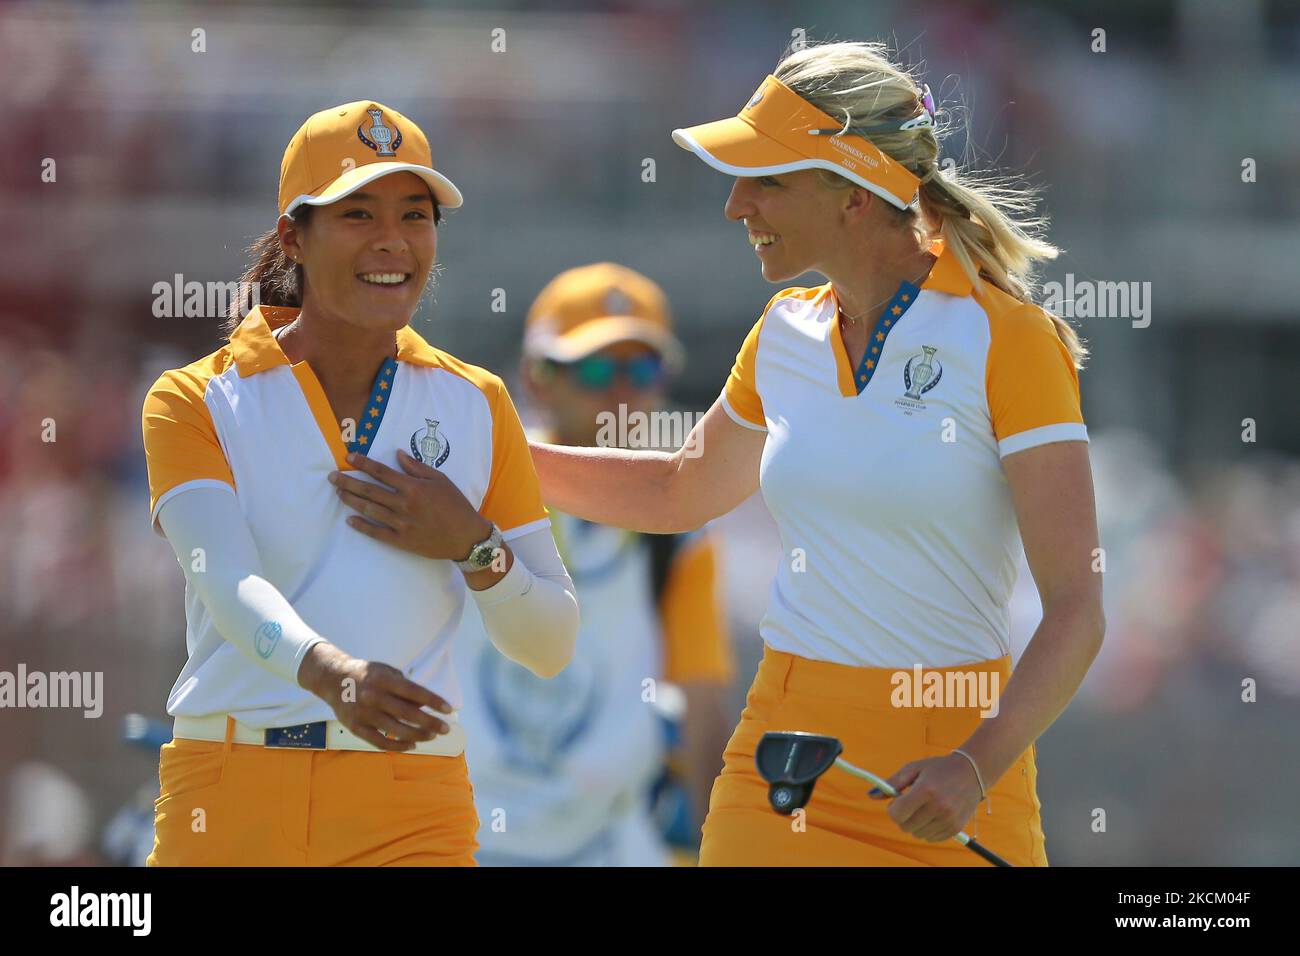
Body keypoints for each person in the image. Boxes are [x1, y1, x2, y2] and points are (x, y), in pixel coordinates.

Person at [528, 41, 1104, 866]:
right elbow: (676, 491)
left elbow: (1078, 608)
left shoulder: (1006, 340)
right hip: (780, 760)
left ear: (854, 192)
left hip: (951, 773)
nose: (735, 206)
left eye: (767, 179)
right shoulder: (783, 333)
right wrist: (495, 450)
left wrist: (978, 764)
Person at [140, 100, 579, 866]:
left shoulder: (478, 402)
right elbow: (225, 579)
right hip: (229, 791)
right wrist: (330, 671)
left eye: (416, 214)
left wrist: (475, 547)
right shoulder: (192, 399)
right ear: (293, 236)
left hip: (413, 806)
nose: (393, 241)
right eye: (357, 214)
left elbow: (549, 642)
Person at [457, 263, 735, 866]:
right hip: (457, 845)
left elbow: (702, 703)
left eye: (642, 369)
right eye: (595, 369)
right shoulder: (465, 487)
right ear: (536, 377)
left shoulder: (678, 533)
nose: (622, 393)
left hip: (610, 848)